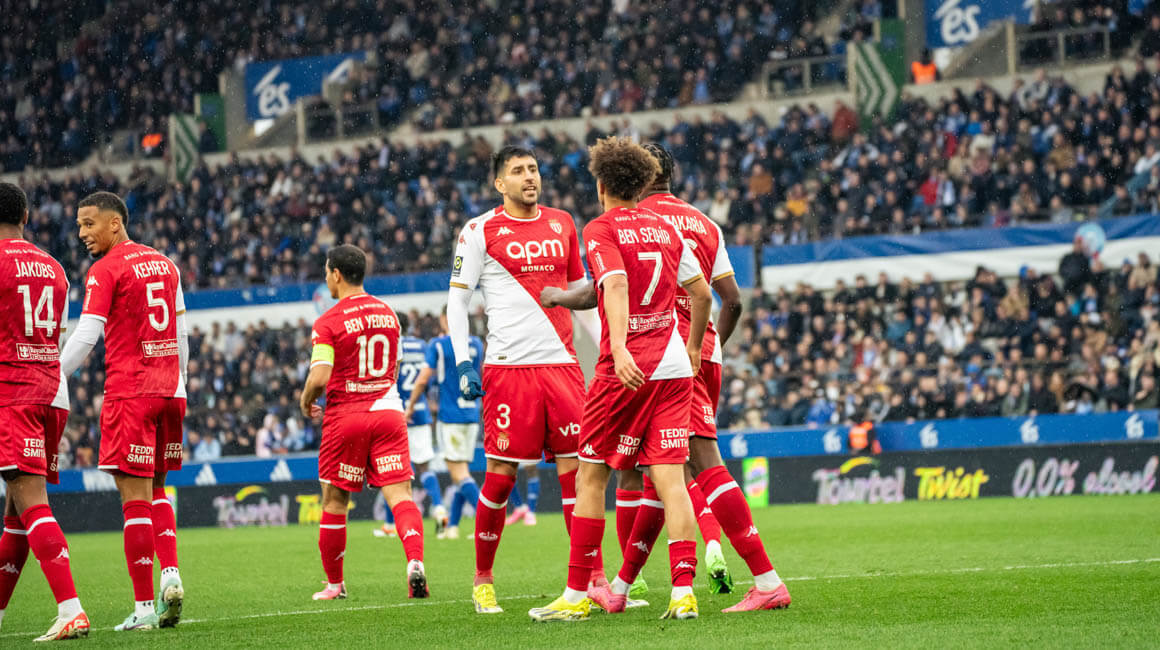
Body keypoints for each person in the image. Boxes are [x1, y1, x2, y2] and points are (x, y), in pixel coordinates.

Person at [543, 143, 792, 613]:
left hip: (645, 353)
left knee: (631, 471)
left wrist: (577, 312)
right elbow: (729, 299)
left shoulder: (619, 223)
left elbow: (607, 287)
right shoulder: (700, 223)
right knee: (669, 471)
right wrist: (704, 347)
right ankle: (635, 585)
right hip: (693, 356)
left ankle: (761, 578)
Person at [528, 136, 711, 622]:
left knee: (591, 475)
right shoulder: (665, 227)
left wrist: (623, 347)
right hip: (673, 366)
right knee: (671, 480)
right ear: (643, 183)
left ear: (602, 185)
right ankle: (683, 592)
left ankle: (576, 595)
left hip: (624, 370)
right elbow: (702, 294)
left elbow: (615, 284)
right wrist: (693, 347)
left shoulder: (601, 228)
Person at [447, 146, 601, 614]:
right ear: (500, 184)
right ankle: (483, 580)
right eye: (517, 171)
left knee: (580, 474)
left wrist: (607, 353)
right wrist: (463, 363)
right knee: (500, 476)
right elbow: (457, 301)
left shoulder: (562, 222)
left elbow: (581, 295)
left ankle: (592, 580)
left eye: (533, 169)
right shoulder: (478, 230)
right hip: (509, 369)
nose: (529, 177)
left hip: (562, 367)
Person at [60, 191, 188, 632]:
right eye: (79, 225)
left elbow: (86, 335)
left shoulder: (106, 269)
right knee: (158, 488)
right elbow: (182, 332)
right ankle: (170, 574)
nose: (82, 233)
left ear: (115, 223)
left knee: (133, 500)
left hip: (131, 392)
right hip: (171, 391)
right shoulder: (165, 264)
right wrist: (181, 381)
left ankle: (144, 607)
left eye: (89, 223)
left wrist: (52, 374)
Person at [299, 245, 428, 601]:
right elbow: (395, 367)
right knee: (401, 497)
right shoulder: (389, 314)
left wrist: (306, 399)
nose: (326, 278)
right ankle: (414, 561)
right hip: (388, 412)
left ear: (337, 274)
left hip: (346, 417)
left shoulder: (327, 322)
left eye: (327, 272)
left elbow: (320, 377)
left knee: (335, 502)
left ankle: (334, 585)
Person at [0, 182, 89, 641]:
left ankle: (71, 608)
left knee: (31, 503)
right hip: (52, 393)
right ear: (26, 216)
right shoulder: (54, 268)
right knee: (16, 514)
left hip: (12, 393)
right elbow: (57, 337)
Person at [403, 307, 483, 540]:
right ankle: (453, 526)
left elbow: (423, 379)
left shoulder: (439, 345)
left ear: (444, 319)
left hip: (450, 416)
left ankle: (487, 525)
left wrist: (411, 405)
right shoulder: (476, 344)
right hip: (471, 415)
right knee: (462, 473)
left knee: (459, 474)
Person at [377, 312, 450, 539]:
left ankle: (390, 524)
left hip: (397, 412)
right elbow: (429, 379)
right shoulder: (422, 345)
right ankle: (439, 509)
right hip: (420, 412)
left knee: (394, 471)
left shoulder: (390, 347)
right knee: (425, 467)